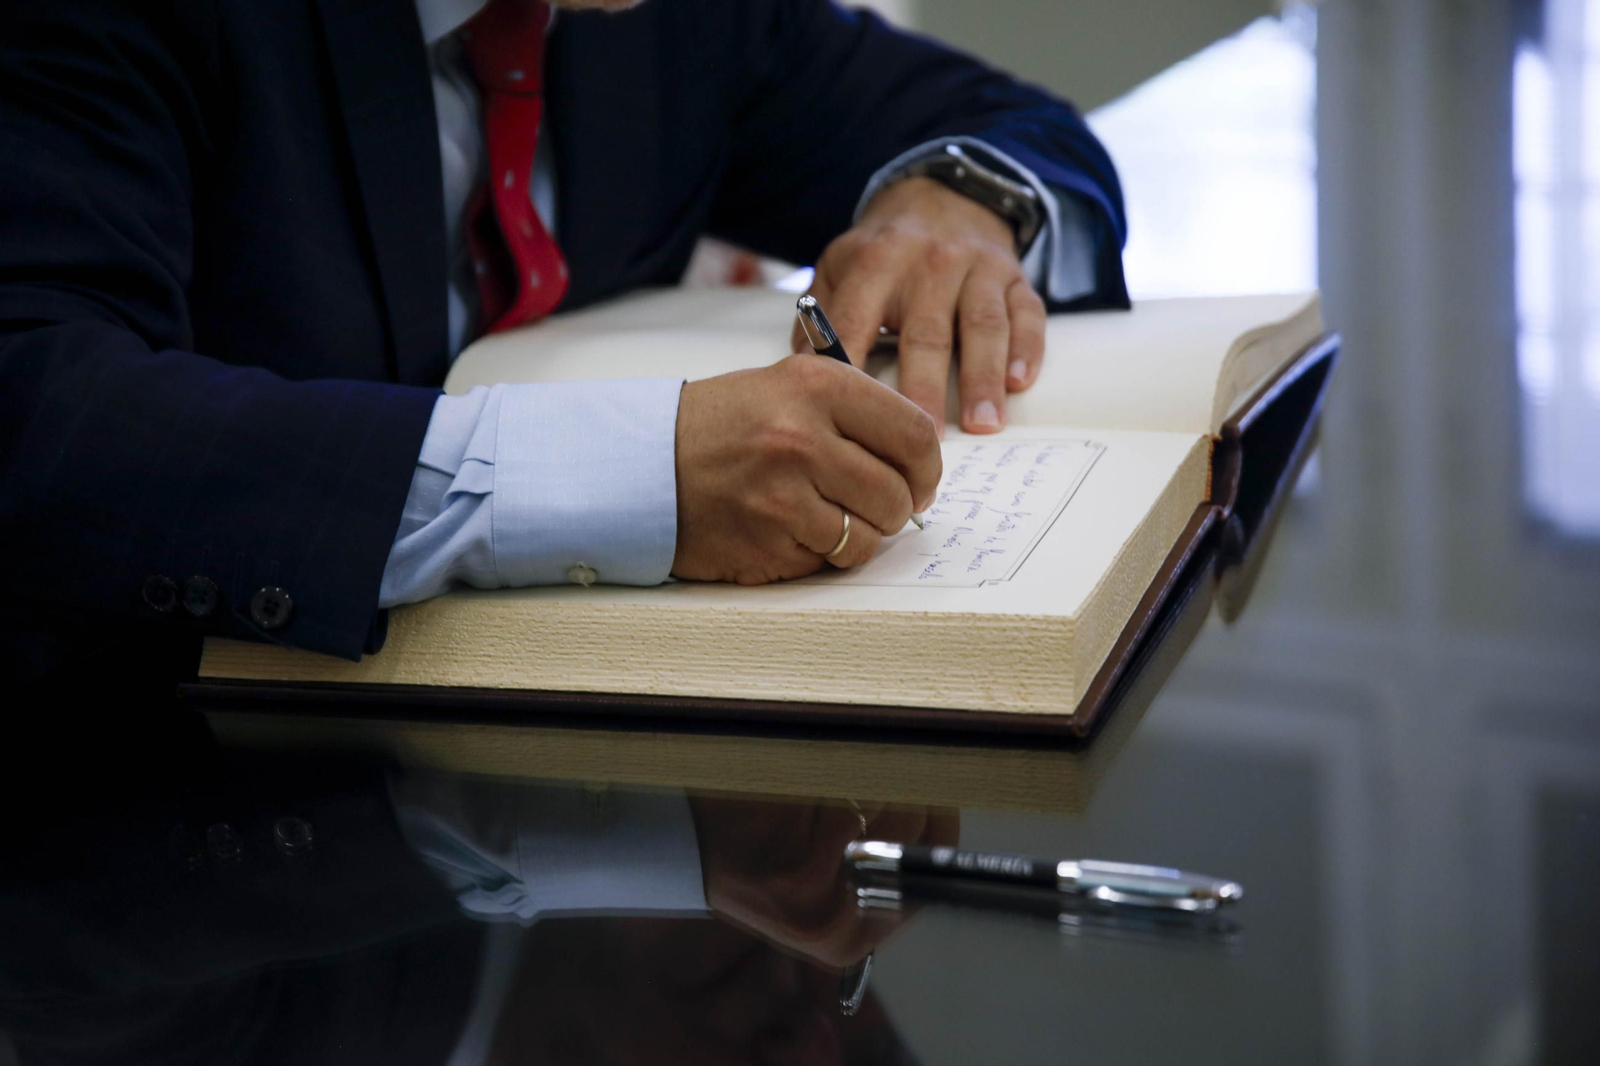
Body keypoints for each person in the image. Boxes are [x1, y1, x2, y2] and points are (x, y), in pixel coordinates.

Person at [0, 0, 1128, 686]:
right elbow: (38, 409)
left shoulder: (672, 20)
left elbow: (1020, 126)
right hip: (168, 833)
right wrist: (628, 473)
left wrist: (955, 203)